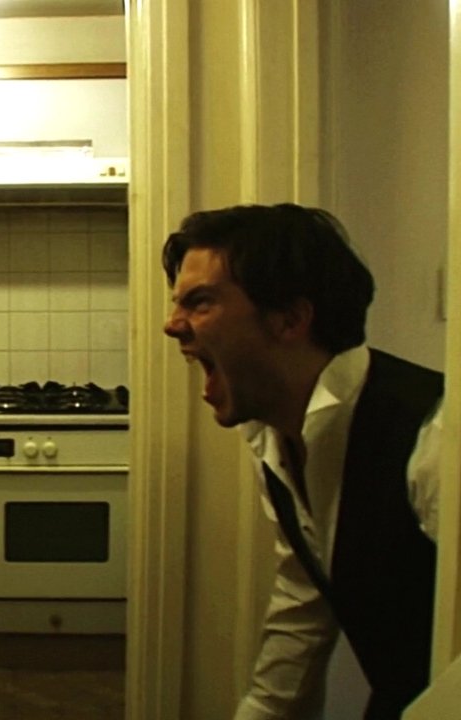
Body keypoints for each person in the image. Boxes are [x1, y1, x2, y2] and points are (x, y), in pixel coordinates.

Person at [162, 203, 443, 720]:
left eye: (199, 302)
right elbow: (302, 606)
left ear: (290, 319)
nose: (171, 325)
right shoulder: (275, 440)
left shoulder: (436, 437)